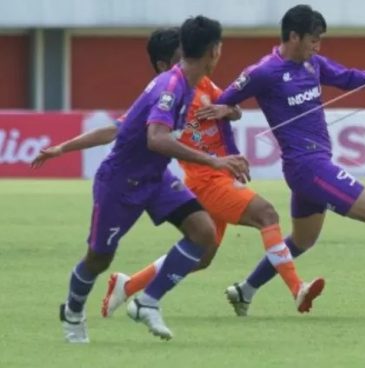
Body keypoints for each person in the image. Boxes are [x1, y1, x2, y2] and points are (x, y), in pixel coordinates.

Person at [34, 28, 323, 327]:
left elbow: (231, 107)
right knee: (265, 214)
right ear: (167, 63)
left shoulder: (198, 84)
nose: (187, 61)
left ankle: (131, 287)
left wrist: (226, 110)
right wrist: (65, 148)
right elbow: (141, 135)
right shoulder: (167, 89)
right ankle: (294, 289)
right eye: (180, 57)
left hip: (180, 175)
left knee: (203, 250)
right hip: (187, 178)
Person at [205, 4, 365, 316]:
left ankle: (244, 290)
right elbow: (220, 107)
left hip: (309, 167)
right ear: (294, 36)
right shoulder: (262, 73)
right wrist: (230, 139)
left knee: (303, 240)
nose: (318, 46)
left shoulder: (313, 64)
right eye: (313, 40)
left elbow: (347, 78)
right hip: (307, 166)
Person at [54, 15, 251, 343]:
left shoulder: (186, 82)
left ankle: (148, 300)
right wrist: (216, 161)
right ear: (214, 51)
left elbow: (122, 126)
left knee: (203, 232)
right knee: (99, 258)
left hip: (156, 177)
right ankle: (72, 311)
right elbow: (156, 139)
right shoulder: (171, 87)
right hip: (120, 183)